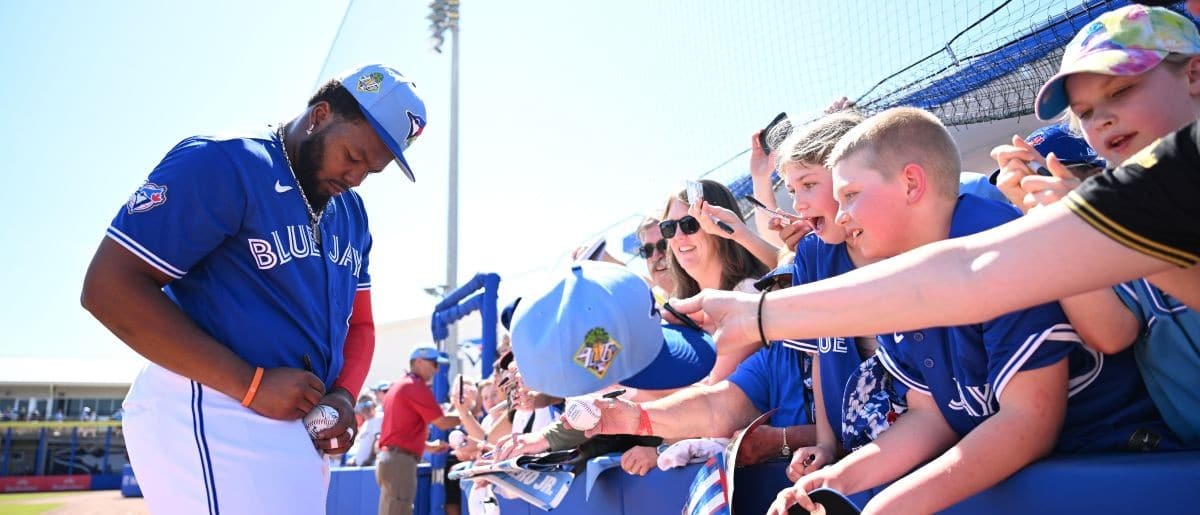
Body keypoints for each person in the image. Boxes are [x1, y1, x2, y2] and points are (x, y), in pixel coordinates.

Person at [765, 107, 1175, 514]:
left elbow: (1029, 421)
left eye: (850, 195)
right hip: (1044, 473)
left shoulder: (993, 237)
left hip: (1126, 460)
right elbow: (931, 415)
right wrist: (836, 481)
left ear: (911, 183)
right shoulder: (900, 270)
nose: (841, 215)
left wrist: (886, 508)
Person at [80, 63, 424, 513]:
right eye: (353, 157)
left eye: (371, 170)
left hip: (290, 420)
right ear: (320, 115)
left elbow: (359, 325)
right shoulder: (226, 161)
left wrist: (343, 395)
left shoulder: (351, 213)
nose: (357, 177)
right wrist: (249, 384)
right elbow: (108, 287)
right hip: (211, 403)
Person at [992, 5, 1200, 447]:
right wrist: (1055, 230)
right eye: (1084, 112)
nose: (1100, 119)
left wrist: (1101, 232)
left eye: (1121, 89)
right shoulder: (1122, 201)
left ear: (1195, 75)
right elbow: (1112, 333)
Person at [377, 344, 461, 515]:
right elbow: (442, 422)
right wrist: (467, 416)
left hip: (390, 459)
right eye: (435, 364)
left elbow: (399, 433)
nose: (436, 370)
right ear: (420, 362)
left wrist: (428, 447)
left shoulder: (399, 385)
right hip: (400, 462)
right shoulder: (414, 385)